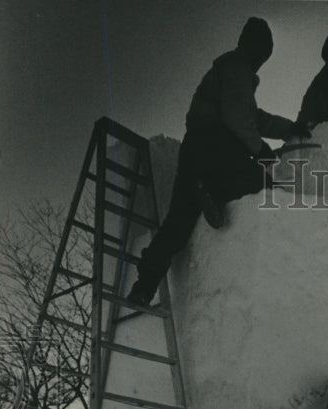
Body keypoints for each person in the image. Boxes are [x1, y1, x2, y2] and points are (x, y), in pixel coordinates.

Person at [128, 18, 303, 308]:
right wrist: (260, 150)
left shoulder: (230, 72)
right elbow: (237, 118)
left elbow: (254, 118)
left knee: (178, 222)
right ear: (254, 46)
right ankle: (215, 191)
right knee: (264, 186)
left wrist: (289, 128)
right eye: (263, 53)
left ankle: (144, 285)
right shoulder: (238, 67)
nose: (263, 61)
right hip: (217, 146)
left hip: (194, 151)